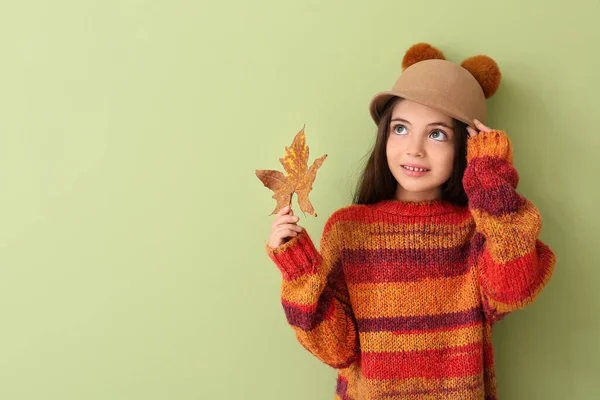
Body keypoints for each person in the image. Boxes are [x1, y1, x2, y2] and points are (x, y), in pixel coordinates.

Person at [264, 42, 556, 400]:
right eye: (401, 129)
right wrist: (298, 270)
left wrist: (492, 182)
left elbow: (513, 288)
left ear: (467, 147)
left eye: (437, 134)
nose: (414, 149)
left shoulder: (478, 231)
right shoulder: (349, 230)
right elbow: (337, 350)